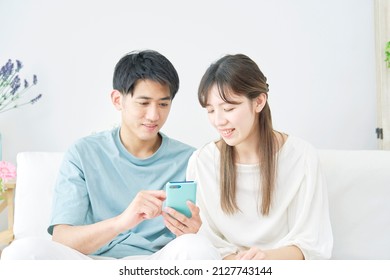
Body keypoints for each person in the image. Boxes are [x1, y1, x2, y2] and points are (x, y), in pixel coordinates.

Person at [1, 50, 220, 260]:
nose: (154, 115)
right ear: (117, 100)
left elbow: (211, 235)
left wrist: (192, 232)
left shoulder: (191, 159)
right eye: (143, 103)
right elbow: (62, 238)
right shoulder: (84, 153)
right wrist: (122, 222)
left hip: (158, 262)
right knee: (20, 252)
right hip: (89, 259)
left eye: (163, 104)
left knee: (196, 246)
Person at [187, 53, 333, 260]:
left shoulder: (302, 157)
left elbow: (312, 245)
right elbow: (207, 244)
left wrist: (263, 261)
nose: (218, 121)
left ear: (258, 102)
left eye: (229, 108)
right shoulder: (203, 162)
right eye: (210, 110)